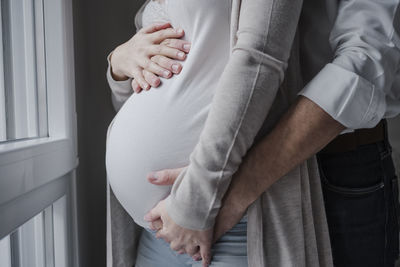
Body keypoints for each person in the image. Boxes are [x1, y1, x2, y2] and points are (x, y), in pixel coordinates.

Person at [138, 1, 400, 266]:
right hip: (186, 199)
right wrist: (122, 58)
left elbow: (366, 63)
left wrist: (230, 191)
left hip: (329, 167)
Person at [105, 0, 334, 266]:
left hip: (230, 224)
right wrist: (119, 65)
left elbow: (260, 61)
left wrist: (195, 202)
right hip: (154, 232)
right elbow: (139, 92)